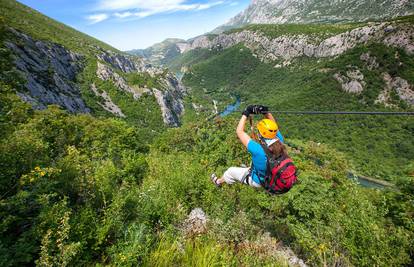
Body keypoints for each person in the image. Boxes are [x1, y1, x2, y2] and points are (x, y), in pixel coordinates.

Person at [211, 105, 288, 188]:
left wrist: (246, 113)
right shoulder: (280, 142)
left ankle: (218, 182)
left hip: (259, 181)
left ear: (260, 134)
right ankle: (249, 169)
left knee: (230, 171)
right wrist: (266, 112)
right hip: (275, 177)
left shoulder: (258, 150)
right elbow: (274, 127)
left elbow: (239, 131)